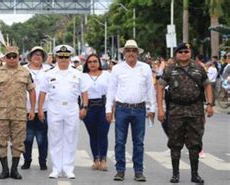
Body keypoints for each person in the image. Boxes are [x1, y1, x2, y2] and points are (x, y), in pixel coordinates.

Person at [157, 43, 213, 184]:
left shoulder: (199, 68)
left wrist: (210, 104)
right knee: (175, 143)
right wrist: (161, 109)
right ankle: (175, 174)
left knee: (195, 144)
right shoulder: (170, 69)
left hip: (195, 111)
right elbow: (160, 86)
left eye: (186, 51)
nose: (183, 54)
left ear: (190, 53)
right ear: (176, 54)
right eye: (180, 51)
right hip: (176, 110)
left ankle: (195, 174)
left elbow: (207, 85)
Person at [105, 40, 156, 182]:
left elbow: (150, 89)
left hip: (139, 109)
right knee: (120, 141)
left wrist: (152, 108)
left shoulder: (145, 68)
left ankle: (138, 171)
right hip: (122, 109)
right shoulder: (117, 69)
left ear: (138, 53)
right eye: (128, 50)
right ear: (124, 53)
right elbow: (111, 90)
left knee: (139, 142)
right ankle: (120, 170)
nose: (131, 53)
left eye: (134, 51)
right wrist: (108, 109)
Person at [37, 45, 89, 179]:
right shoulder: (49, 74)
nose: (63, 59)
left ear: (70, 58)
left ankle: (68, 168)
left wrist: (85, 107)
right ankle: (56, 168)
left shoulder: (77, 73)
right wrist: (40, 109)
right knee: (55, 138)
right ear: (56, 57)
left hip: (72, 108)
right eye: (61, 57)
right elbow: (42, 93)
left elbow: (84, 92)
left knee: (71, 138)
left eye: (66, 57)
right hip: (54, 108)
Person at [0, 46, 36, 180]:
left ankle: (14, 170)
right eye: (8, 56)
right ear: (4, 58)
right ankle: (4, 170)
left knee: (18, 142)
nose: (11, 59)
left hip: (19, 113)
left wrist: (32, 109)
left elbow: (32, 90)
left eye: (14, 56)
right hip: (2, 113)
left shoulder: (26, 72)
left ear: (18, 57)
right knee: (0, 141)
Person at [20, 46, 51, 171]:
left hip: (44, 109)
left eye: (40, 54)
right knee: (27, 137)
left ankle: (42, 161)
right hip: (26, 108)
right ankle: (27, 160)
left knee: (42, 138)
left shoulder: (49, 70)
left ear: (43, 57)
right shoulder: (23, 70)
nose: (37, 56)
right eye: (34, 54)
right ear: (30, 57)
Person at [82, 54, 111, 171]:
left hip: (103, 106)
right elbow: (80, 93)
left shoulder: (107, 75)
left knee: (103, 133)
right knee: (93, 134)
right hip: (89, 108)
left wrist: (111, 110)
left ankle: (103, 159)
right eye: (90, 62)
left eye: (95, 61)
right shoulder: (82, 76)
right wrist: (82, 108)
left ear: (99, 62)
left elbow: (112, 92)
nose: (92, 64)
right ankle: (96, 159)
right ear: (87, 64)